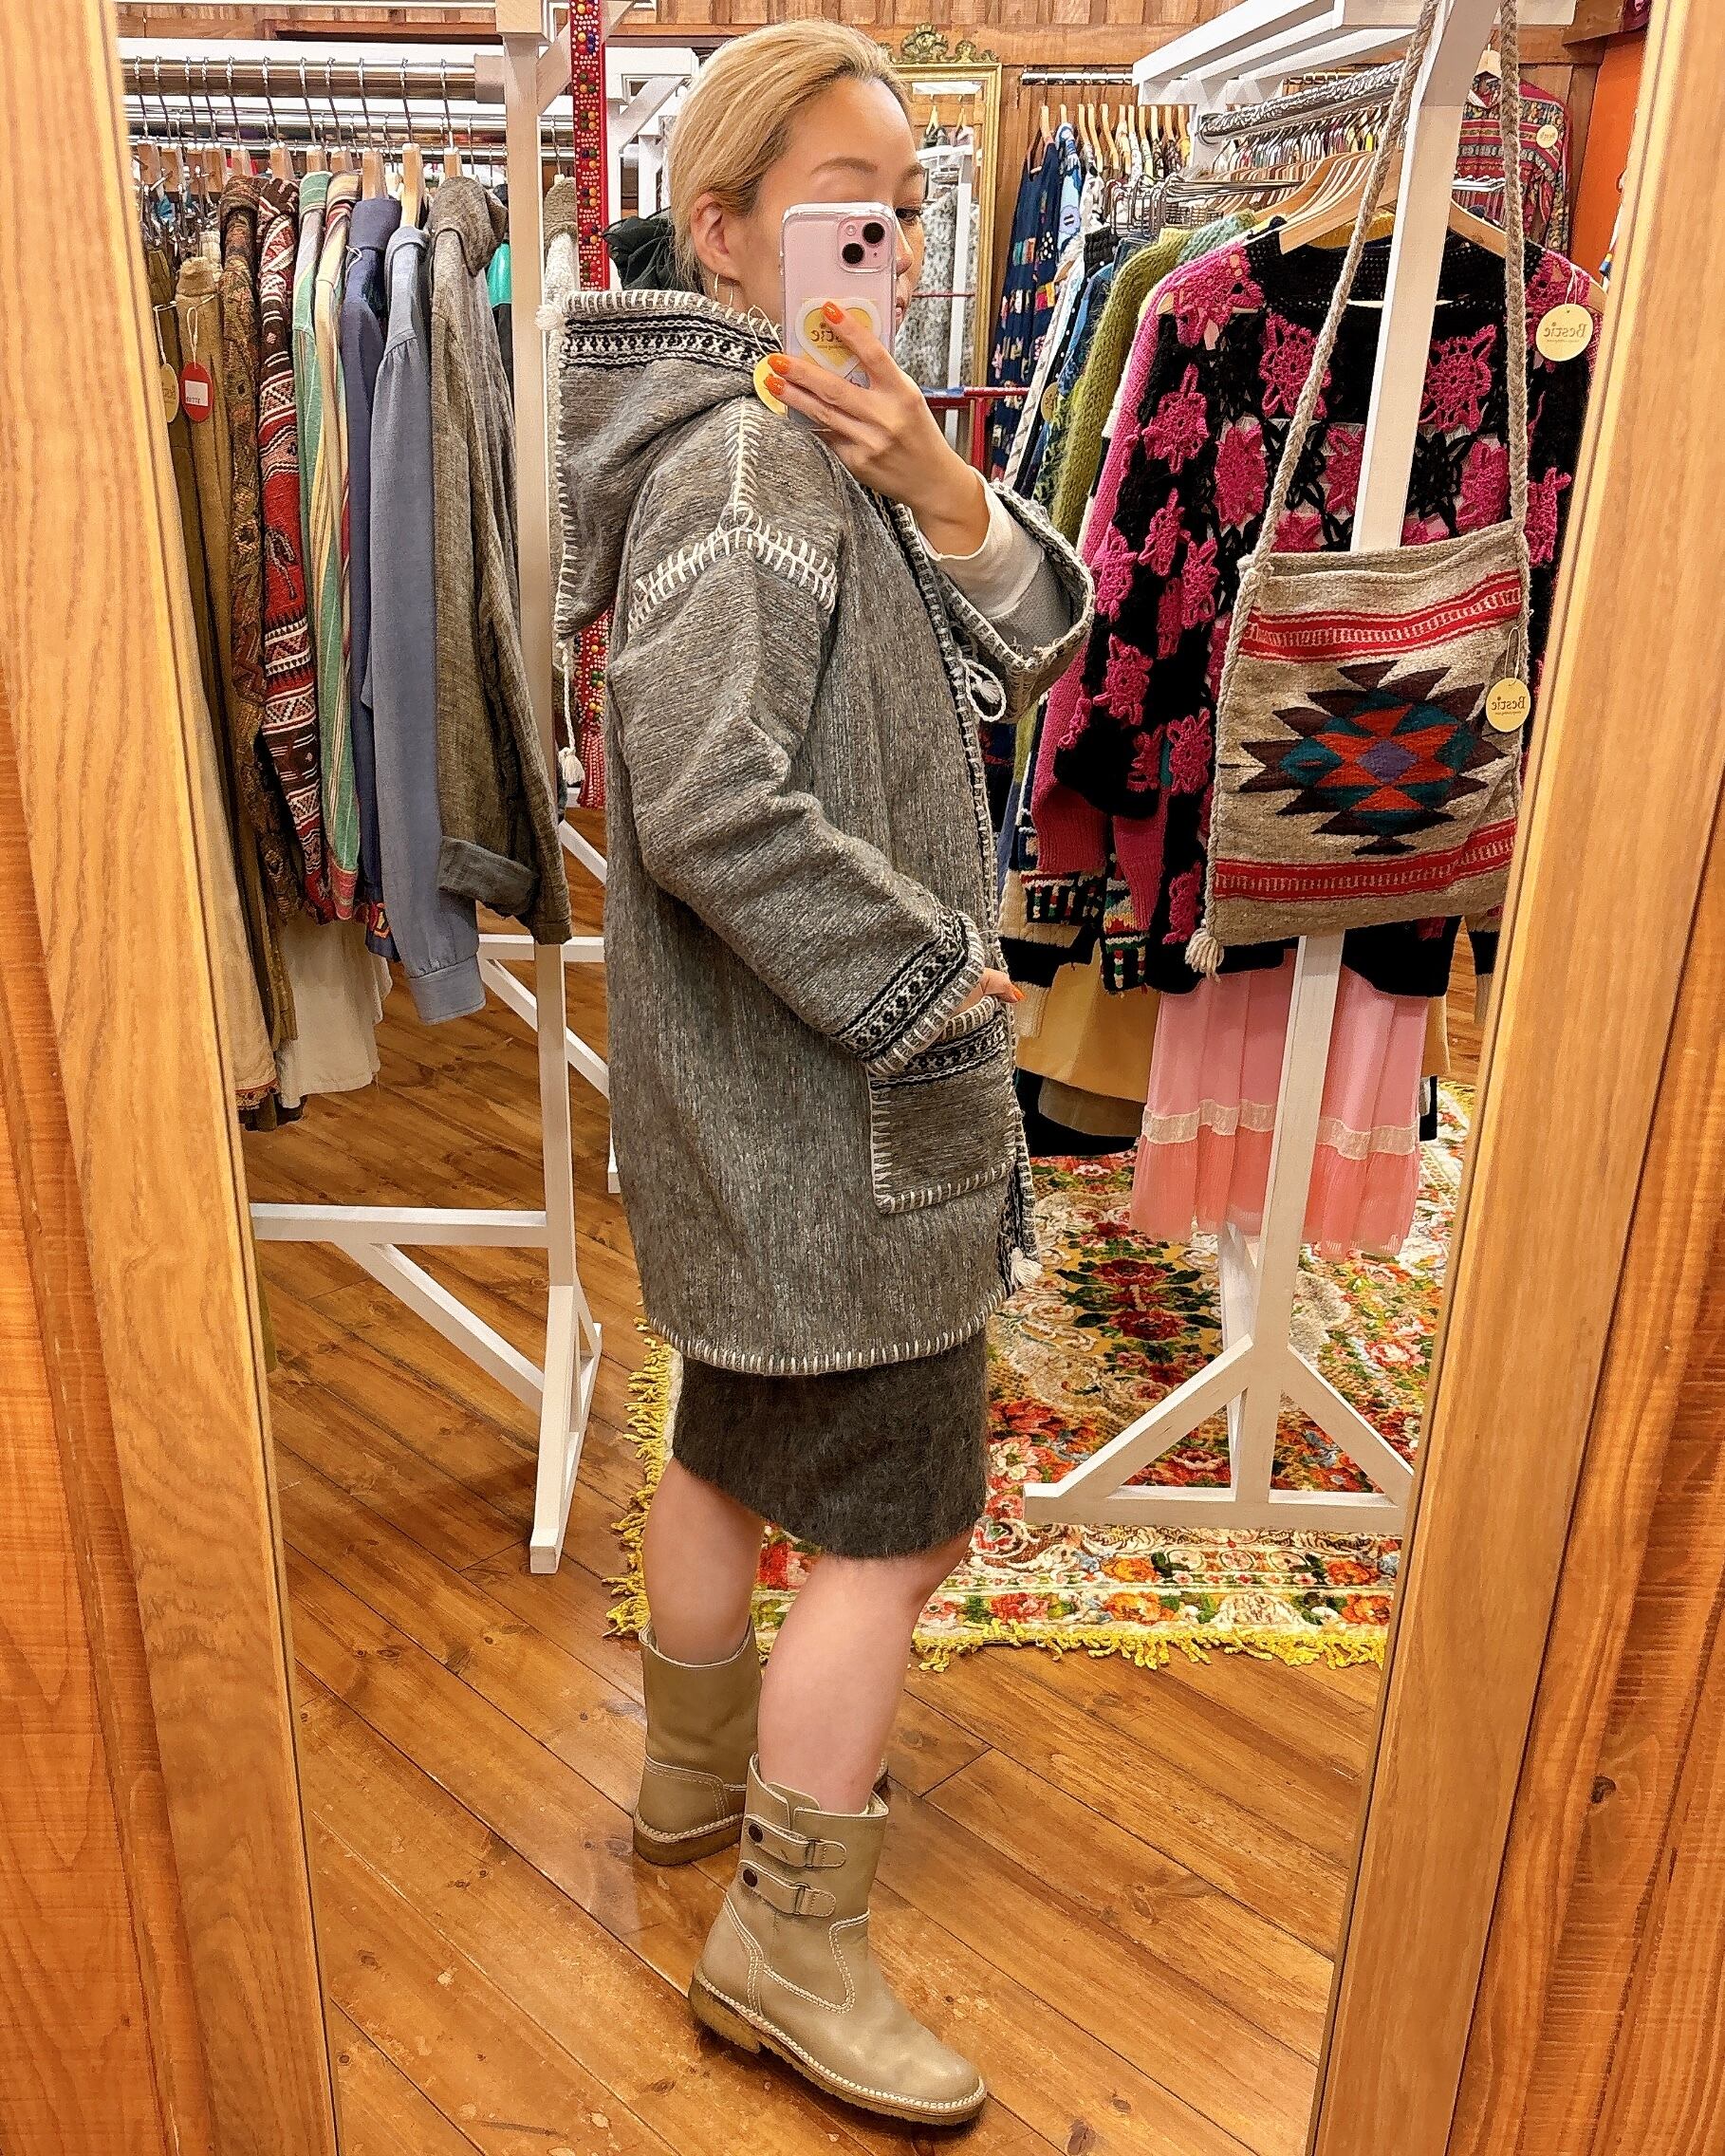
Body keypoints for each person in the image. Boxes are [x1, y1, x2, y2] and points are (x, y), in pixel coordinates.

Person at [551, 21, 1090, 2126]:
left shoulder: (798, 437)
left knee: (727, 1435)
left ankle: (695, 1792)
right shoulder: (746, 467)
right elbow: (706, 801)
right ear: (721, 230)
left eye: (911, 208)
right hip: (840, 1118)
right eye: (847, 205)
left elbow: (1030, 637)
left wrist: (936, 480)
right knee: (894, 1526)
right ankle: (789, 1938)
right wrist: (935, 991)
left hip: (761, 1115)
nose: (899, 242)